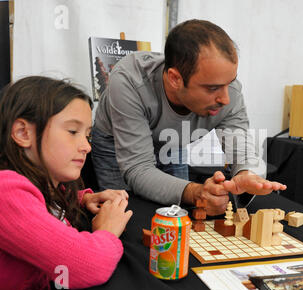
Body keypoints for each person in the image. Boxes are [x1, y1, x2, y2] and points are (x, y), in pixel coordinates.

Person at [91, 19, 286, 215]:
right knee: (124, 213)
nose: (226, 99)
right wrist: (197, 192)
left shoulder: (227, 88)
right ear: (175, 79)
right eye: (212, 88)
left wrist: (246, 172)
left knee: (179, 212)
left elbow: (240, 147)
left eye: (230, 83)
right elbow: (139, 169)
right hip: (115, 143)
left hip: (171, 142)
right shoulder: (129, 82)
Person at [0, 76, 133, 290]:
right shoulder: (5, 191)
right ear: (24, 133)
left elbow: (39, 205)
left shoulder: (34, 183)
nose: (87, 147)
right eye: (72, 132)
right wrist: (107, 230)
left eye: (88, 135)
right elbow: (82, 268)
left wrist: (82, 198)